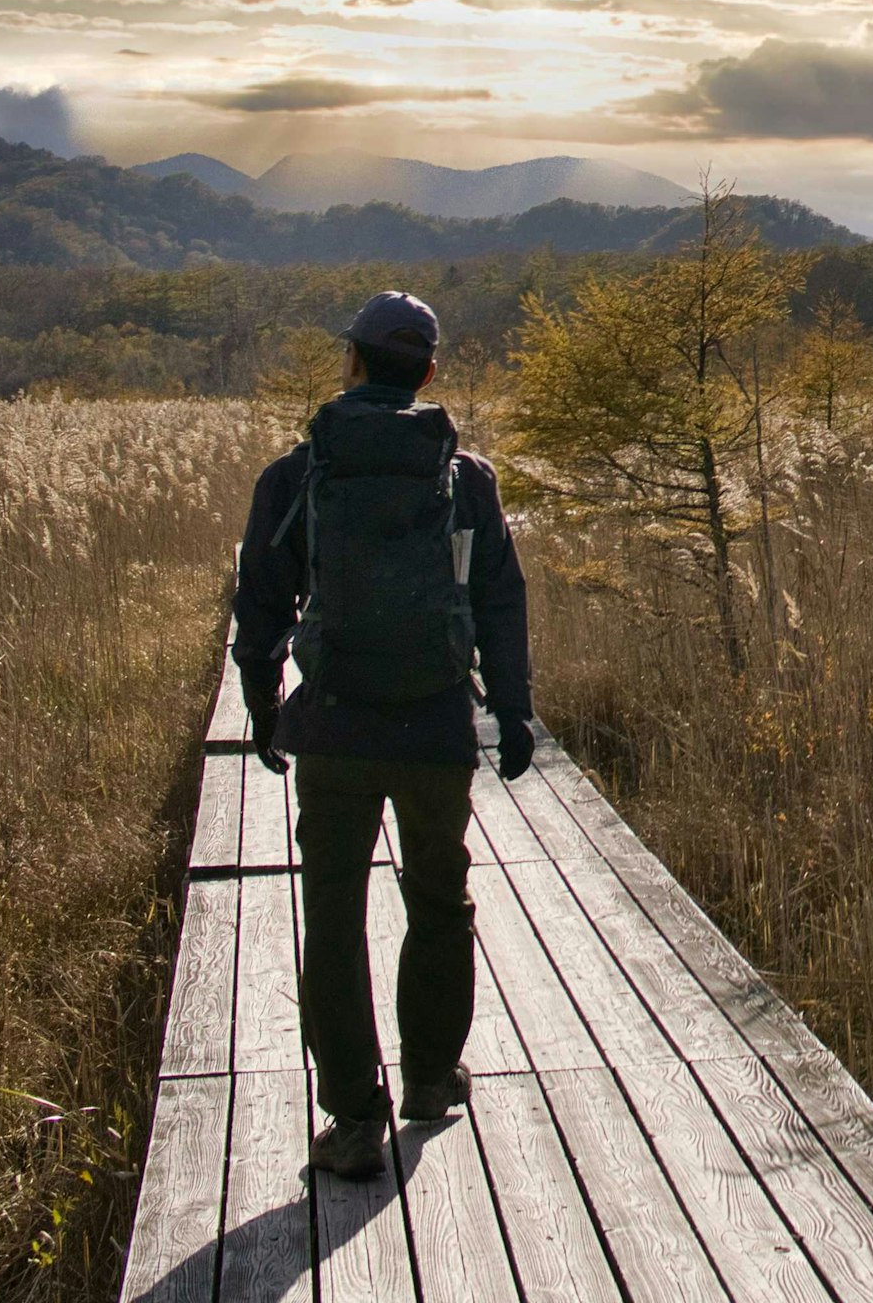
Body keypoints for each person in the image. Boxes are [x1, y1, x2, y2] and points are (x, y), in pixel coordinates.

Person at [231, 290, 537, 1182]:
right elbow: (498, 599)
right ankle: (433, 1079)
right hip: (437, 722)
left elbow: (260, 600)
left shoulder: (298, 474)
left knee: (333, 913)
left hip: (334, 724)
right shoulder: (464, 477)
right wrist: (511, 708)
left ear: (352, 361)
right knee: (439, 900)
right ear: (429, 373)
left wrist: (262, 699)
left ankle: (355, 1119)